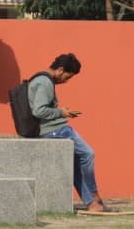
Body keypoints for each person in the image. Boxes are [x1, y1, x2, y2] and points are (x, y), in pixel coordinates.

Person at [29, 53, 112, 214]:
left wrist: (62, 112)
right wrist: (61, 113)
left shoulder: (41, 80)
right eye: (67, 77)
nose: (66, 81)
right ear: (60, 70)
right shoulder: (44, 82)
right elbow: (39, 110)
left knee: (75, 164)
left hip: (51, 129)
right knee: (88, 154)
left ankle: (91, 204)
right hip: (55, 130)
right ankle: (94, 195)